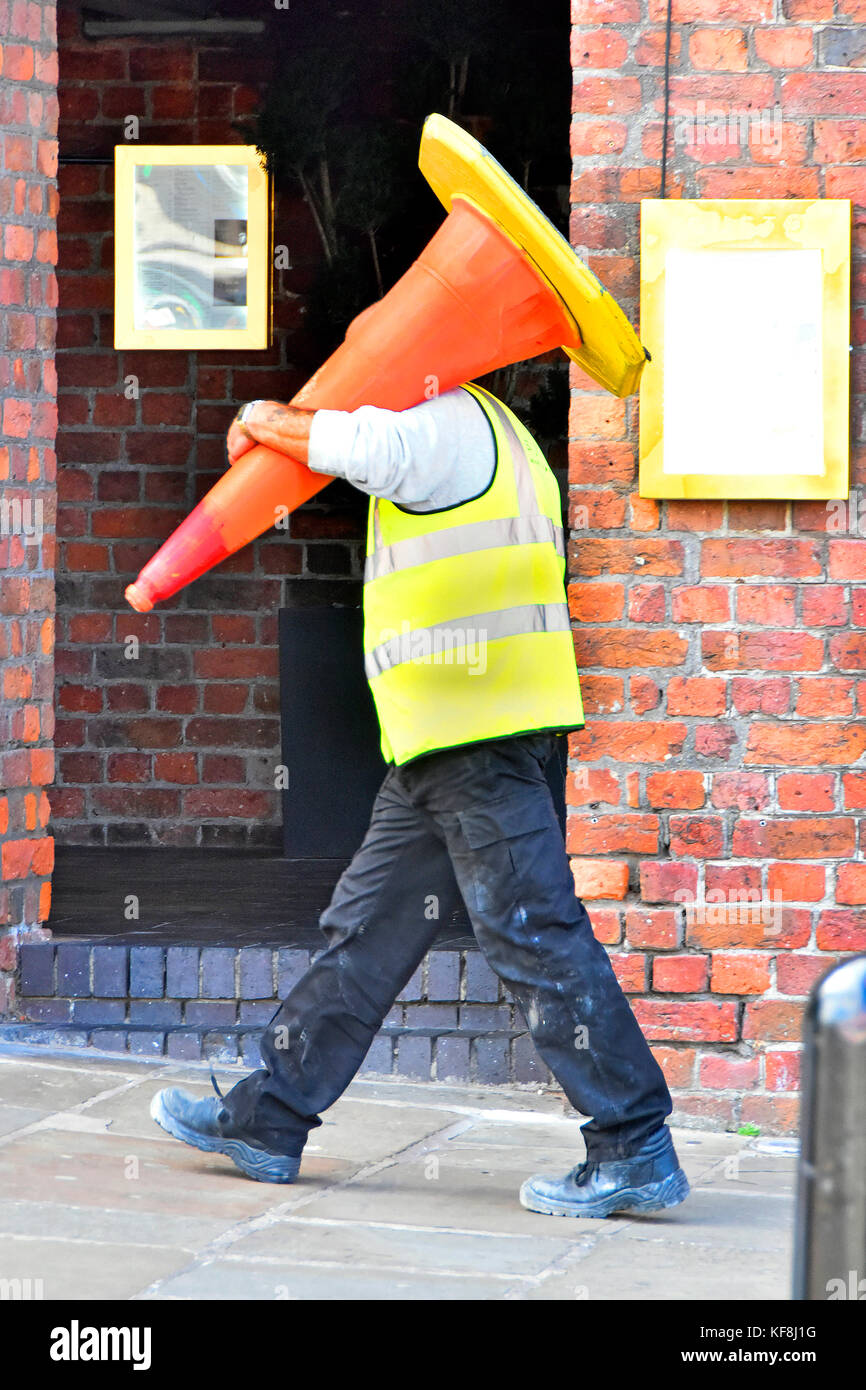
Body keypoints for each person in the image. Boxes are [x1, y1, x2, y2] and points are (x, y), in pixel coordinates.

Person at [150, 383, 689, 1219]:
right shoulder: (503, 432)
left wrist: (264, 419)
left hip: (475, 738)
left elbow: (368, 449)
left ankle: (632, 1145)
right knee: (365, 931)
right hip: (443, 744)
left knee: (533, 935)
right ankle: (271, 1119)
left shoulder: (449, 423)